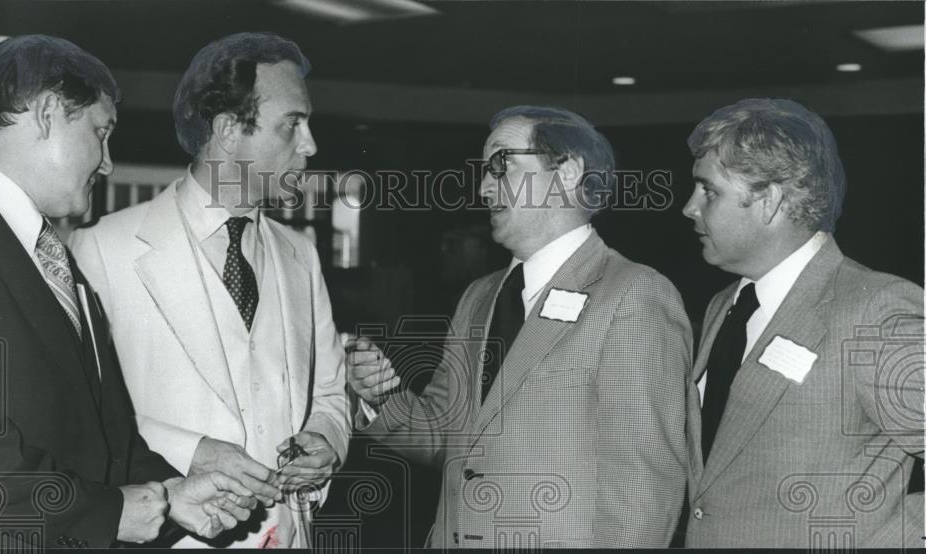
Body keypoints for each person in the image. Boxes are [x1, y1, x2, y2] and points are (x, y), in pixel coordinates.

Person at [0, 35, 257, 549]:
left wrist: (171, 493)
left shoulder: (53, 257)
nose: (106, 162)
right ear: (48, 113)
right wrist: (105, 512)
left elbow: (103, 437)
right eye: (100, 133)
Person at [347, 106, 691, 548]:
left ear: (567, 172)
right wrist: (382, 396)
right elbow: (446, 437)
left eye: (500, 165)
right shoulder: (480, 296)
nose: (483, 187)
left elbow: (644, 487)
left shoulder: (634, 296)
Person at [70, 32, 349, 548]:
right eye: (293, 124)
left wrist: (326, 439)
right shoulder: (102, 251)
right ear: (227, 130)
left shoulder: (301, 255)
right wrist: (193, 451)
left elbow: (331, 392)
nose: (310, 145)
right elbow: (78, 416)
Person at [681, 98, 924, 548]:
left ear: (769, 201)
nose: (689, 208)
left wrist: (891, 538)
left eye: (708, 191)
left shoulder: (874, 310)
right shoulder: (724, 306)